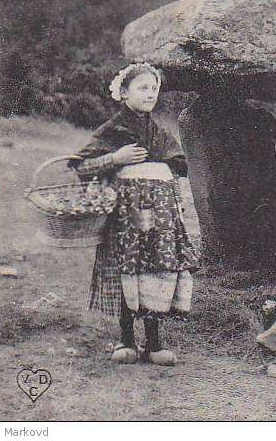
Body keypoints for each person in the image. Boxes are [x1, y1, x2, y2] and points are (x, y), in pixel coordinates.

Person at [71, 63, 199, 366]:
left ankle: (154, 343)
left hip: (160, 217)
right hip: (125, 215)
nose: (151, 94)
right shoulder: (113, 130)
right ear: (124, 92)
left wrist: (167, 174)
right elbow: (81, 166)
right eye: (143, 88)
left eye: (154, 89)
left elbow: (179, 164)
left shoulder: (160, 132)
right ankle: (126, 339)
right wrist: (116, 158)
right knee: (127, 268)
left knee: (156, 270)